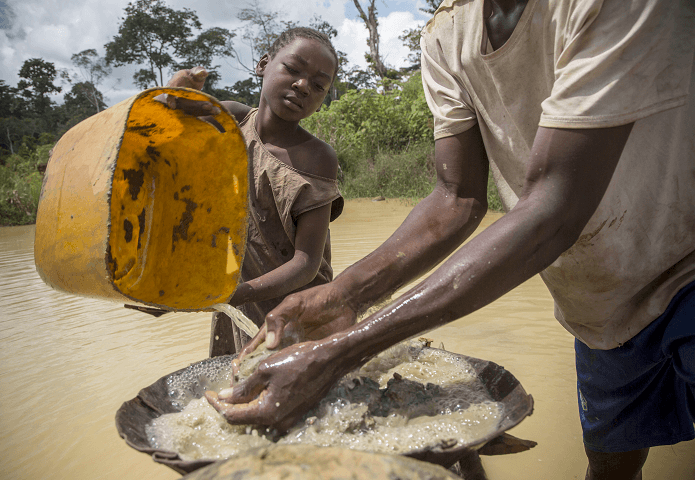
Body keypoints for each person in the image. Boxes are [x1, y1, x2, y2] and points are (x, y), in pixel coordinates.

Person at [206, 1, 695, 479]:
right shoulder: (447, 32)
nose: (303, 88)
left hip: (685, 265)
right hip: (599, 301)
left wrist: (344, 348)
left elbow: (555, 205)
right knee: (612, 456)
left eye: (319, 84)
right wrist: (343, 295)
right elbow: (456, 200)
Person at [161, 27, 345, 355]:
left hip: (300, 312)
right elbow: (165, 123)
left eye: (318, 85)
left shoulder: (317, 158)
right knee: (237, 382)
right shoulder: (231, 118)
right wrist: (176, 92)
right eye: (292, 69)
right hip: (241, 302)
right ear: (263, 64)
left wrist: (233, 294)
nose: (303, 86)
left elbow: (306, 263)